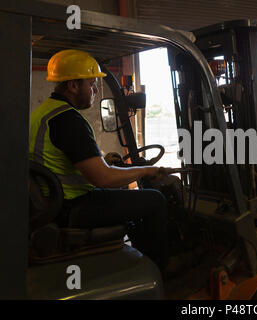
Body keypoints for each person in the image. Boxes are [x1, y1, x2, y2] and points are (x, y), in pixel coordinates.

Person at [29, 49, 169, 268]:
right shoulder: (68, 120)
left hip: (51, 204)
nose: (95, 90)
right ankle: (162, 271)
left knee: (125, 197)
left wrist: (110, 166)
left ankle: (136, 255)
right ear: (73, 86)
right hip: (71, 207)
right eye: (92, 84)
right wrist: (145, 171)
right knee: (154, 200)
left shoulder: (43, 113)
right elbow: (103, 178)